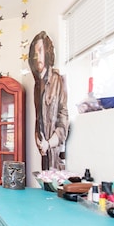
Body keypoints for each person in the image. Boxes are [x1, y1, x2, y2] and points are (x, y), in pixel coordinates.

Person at [28, 31, 69, 170]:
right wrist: (39, 141)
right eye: (35, 53)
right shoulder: (37, 85)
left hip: (56, 154)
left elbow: (63, 121)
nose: (37, 57)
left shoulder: (57, 80)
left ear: (47, 52)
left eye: (40, 51)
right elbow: (38, 119)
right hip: (44, 153)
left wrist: (49, 143)